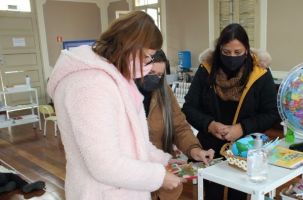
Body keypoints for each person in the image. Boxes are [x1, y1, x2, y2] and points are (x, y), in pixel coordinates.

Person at [47, 11, 183, 200]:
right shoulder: (90, 85)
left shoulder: (116, 79)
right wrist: (159, 177)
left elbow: (137, 144)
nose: (148, 64)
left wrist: (166, 161)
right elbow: (105, 165)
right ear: (129, 47)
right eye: (146, 57)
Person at [182, 23, 280, 200]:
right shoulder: (206, 70)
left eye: (238, 52)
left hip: (243, 151)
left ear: (247, 50)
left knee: (238, 192)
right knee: (213, 193)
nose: (232, 58)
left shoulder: (260, 74)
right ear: (219, 49)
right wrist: (210, 125)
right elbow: (188, 107)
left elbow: (272, 113)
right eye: (226, 52)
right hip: (210, 149)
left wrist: (241, 128)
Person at [135, 50, 215, 200]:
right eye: (151, 72)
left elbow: (180, 127)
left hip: (164, 183)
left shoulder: (163, 92)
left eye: (159, 75)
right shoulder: (122, 94)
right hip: (133, 182)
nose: (155, 79)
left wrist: (194, 150)